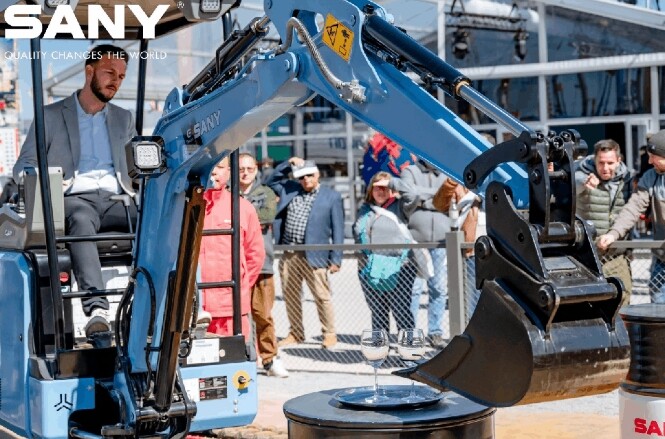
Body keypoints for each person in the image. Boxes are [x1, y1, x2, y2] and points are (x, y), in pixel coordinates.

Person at [13, 44, 137, 339]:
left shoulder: (124, 118)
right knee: (80, 219)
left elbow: (135, 166)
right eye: (109, 73)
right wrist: (44, 179)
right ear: (89, 72)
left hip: (118, 199)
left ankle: (177, 299)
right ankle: (97, 308)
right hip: (75, 198)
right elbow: (24, 166)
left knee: (163, 217)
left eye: (121, 76)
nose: (116, 82)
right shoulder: (51, 115)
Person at [266, 157, 344, 350]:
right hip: (290, 252)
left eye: (310, 175)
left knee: (321, 296)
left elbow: (338, 229)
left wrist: (336, 258)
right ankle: (296, 333)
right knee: (291, 296)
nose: (306, 179)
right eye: (302, 177)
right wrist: (287, 164)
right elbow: (271, 181)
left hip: (315, 254)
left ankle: (329, 334)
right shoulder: (290, 189)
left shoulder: (331, 196)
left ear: (318, 175)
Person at [199, 157, 265, 338]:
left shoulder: (243, 208)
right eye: (210, 167)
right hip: (194, 307)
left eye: (220, 167)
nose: (214, 171)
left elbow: (255, 255)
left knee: (234, 354)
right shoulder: (185, 207)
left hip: (231, 308)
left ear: (229, 172)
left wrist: (239, 286)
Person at [598, 129, 665, 304]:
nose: (649, 161)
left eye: (653, 157)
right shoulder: (651, 177)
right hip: (662, 258)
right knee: (658, 305)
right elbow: (634, 207)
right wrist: (614, 234)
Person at [237, 152, 288, 378]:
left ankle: (270, 358)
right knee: (238, 315)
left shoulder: (266, 193)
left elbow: (267, 216)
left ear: (256, 170)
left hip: (262, 264)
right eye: (241, 169)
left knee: (262, 314)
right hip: (235, 265)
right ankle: (244, 357)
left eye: (249, 169)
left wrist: (239, 217)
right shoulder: (228, 193)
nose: (245, 173)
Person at [353, 172, 417, 335]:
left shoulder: (400, 207)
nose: (381, 191)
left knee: (401, 310)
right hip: (370, 268)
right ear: (371, 190)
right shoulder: (364, 209)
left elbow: (413, 194)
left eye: (384, 188)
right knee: (378, 312)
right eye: (377, 188)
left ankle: (409, 349)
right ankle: (381, 349)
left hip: (400, 268)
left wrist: (392, 182)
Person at [400, 159, 451, 349]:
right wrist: (437, 198)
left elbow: (451, 198)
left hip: (441, 241)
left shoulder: (447, 173)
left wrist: (422, 199)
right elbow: (408, 194)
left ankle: (435, 332)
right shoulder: (410, 171)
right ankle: (412, 333)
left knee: (438, 288)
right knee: (415, 288)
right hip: (416, 241)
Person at [575, 139, 633, 304]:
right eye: (601, 163)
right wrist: (585, 182)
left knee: (622, 303)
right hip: (588, 257)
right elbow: (574, 183)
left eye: (610, 163)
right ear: (594, 160)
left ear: (619, 161)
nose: (605, 168)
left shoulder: (627, 179)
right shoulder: (582, 174)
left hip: (616, 256)